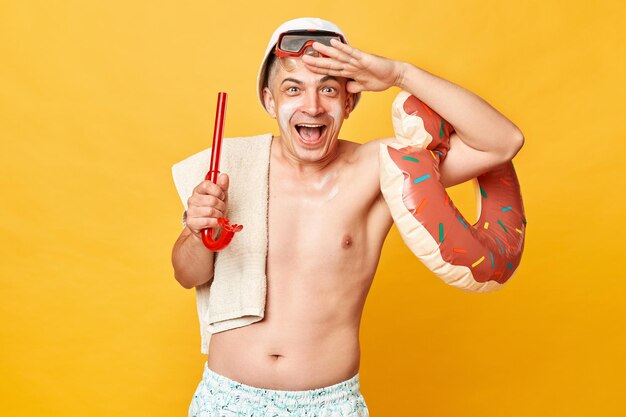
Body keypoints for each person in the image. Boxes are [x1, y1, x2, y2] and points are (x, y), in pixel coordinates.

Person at [172, 17, 524, 417]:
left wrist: (399, 74)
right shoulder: (231, 166)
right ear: (270, 101)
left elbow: (501, 142)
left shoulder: (379, 169)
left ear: (349, 103)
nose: (312, 106)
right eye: (293, 89)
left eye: (327, 89)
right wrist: (196, 231)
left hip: (328, 404)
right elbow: (187, 275)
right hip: (227, 399)